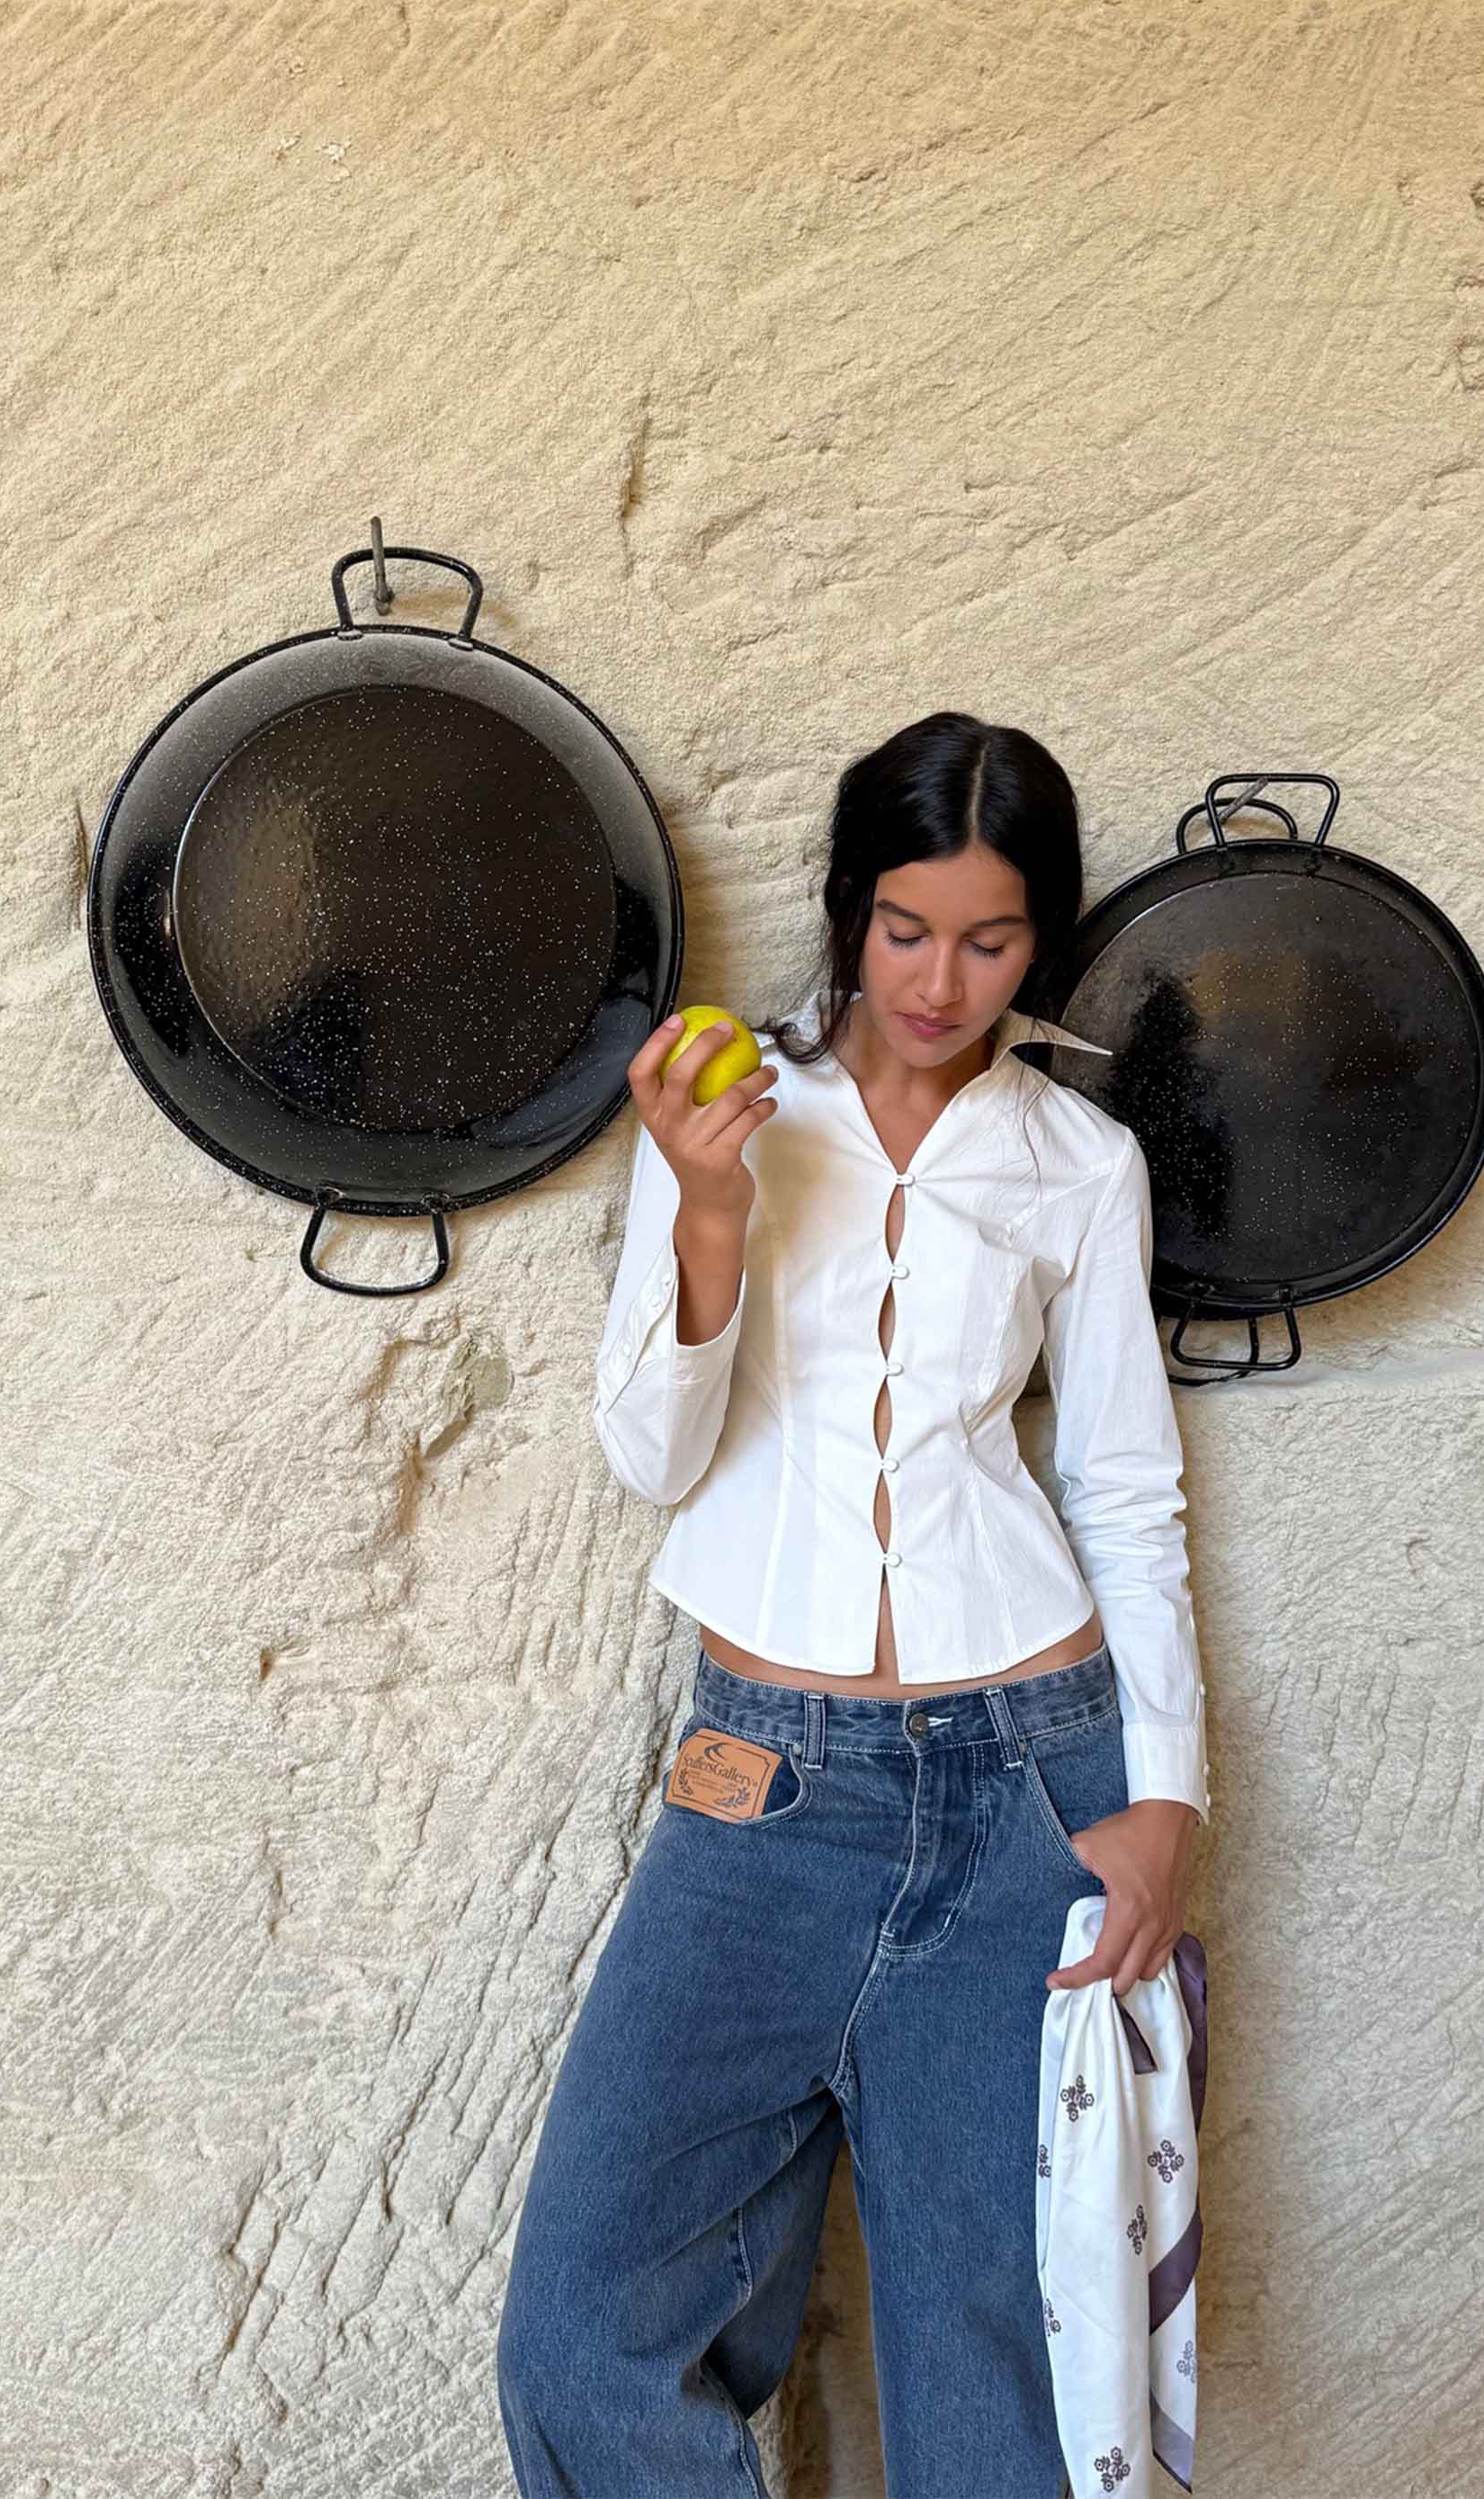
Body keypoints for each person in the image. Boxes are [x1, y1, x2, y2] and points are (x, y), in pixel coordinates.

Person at [496, 712, 1211, 2498]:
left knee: (991, 2371)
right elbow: (652, 1454)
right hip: (763, 1783)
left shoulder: (1077, 1161)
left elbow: (1123, 1491)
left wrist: (1166, 1800)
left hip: (1029, 1781)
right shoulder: (724, 1104)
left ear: (1040, 941)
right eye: (904, 929)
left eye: (990, 939)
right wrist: (709, 1210)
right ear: (847, 906)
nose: (938, 982)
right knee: (582, 2337)